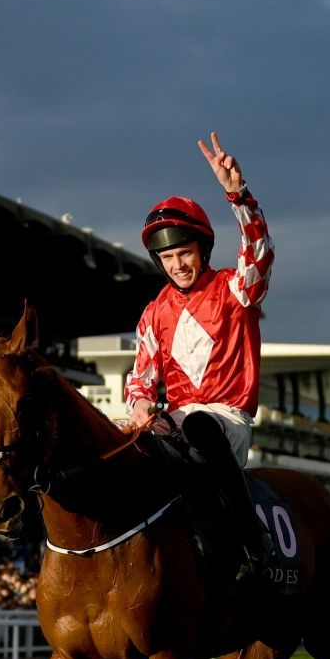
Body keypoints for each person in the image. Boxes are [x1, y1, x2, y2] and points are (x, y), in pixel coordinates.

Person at [123, 132, 275, 578]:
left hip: (225, 420)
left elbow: (260, 253)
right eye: (167, 257)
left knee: (198, 424)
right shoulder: (153, 314)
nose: (177, 265)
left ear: (202, 250)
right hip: (175, 421)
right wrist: (138, 405)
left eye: (184, 253)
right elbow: (140, 379)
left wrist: (238, 193)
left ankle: (253, 540)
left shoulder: (235, 288)